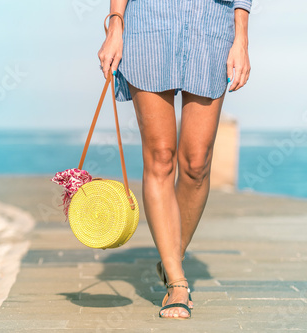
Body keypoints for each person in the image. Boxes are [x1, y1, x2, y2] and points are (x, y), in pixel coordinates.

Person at [97, 0, 252, 319]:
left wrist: (242, 38)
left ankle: (171, 257)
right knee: (160, 157)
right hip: (149, 26)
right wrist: (115, 23)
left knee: (197, 163)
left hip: (209, 28)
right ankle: (177, 281)